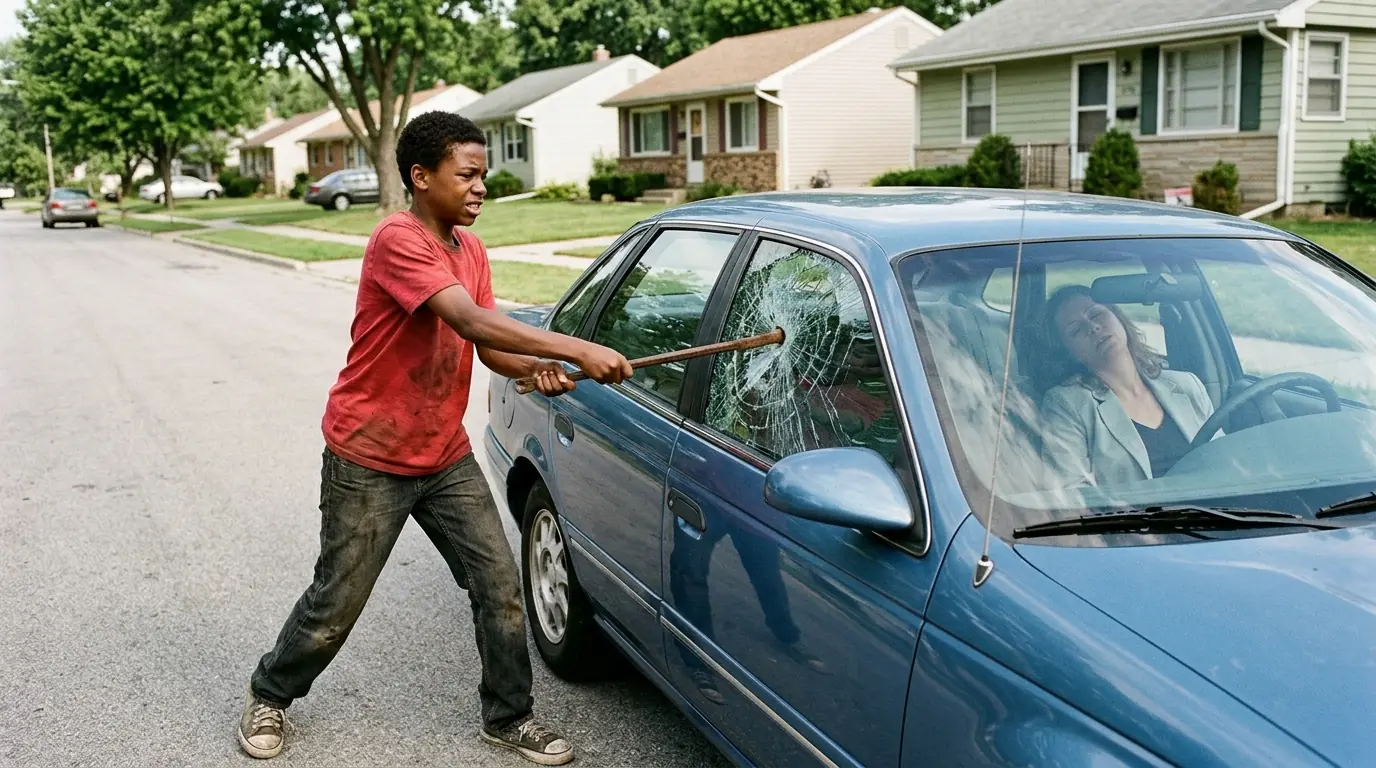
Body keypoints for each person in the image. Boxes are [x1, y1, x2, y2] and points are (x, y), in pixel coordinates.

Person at [236, 112, 633, 765]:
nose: (481, 187)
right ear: (421, 177)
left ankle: (508, 717)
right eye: (468, 174)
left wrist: (543, 369)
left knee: (499, 585)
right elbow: (465, 315)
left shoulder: (469, 250)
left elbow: (485, 342)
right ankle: (270, 692)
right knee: (337, 599)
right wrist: (578, 347)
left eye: (484, 175)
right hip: (369, 452)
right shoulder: (398, 238)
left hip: (442, 453)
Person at [1040, 284, 1215, 487]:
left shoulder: (1187, 385)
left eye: (1096, 314)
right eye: (1077, 329)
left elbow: (1225, 459)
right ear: (1068, 352)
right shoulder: (1066, 404)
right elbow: (1071, 493)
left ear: (1118, 317)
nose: (1093, 327)